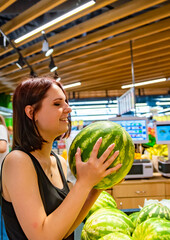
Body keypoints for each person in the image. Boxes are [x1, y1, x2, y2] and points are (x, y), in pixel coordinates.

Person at [1, 76, 122, 240]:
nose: (68, 109)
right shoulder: (18, 161)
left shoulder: (58, 161)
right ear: (31, 112)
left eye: (66, 102)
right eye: (57, 104)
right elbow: (41, 237)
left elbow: (65, 228)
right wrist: (84, 182)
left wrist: (97, 185)